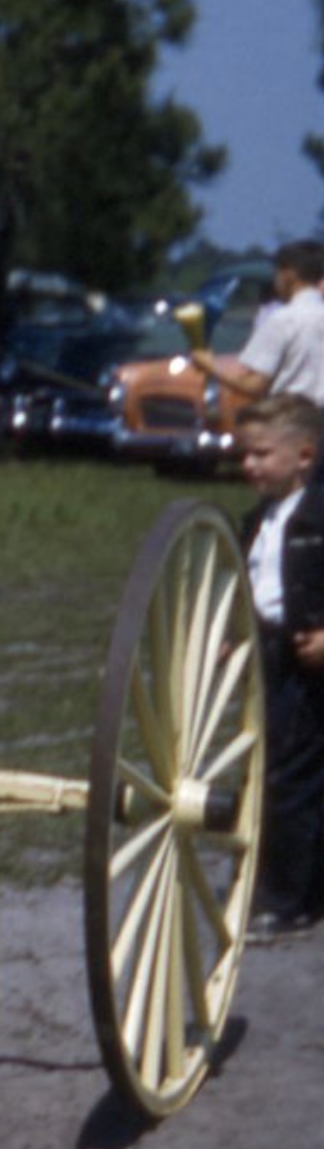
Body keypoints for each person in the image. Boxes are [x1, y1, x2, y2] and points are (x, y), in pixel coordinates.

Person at [233, 393, 324, 939]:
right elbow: (253, 584)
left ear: (304, 456)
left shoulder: (319, 515)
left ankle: (287, 900)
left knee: (290, 776)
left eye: (262, 454)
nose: (249, 465)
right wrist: (232, 633)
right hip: (271, 651)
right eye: (247, 455)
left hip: (309, 655)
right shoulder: (258, 520)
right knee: (276, 765)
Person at [199, 240, 324, 405]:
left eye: (277, 273)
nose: (275, 281)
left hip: (291, 419)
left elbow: (256, 385)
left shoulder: (283, 319)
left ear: (288, 274)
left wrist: (211, 366)